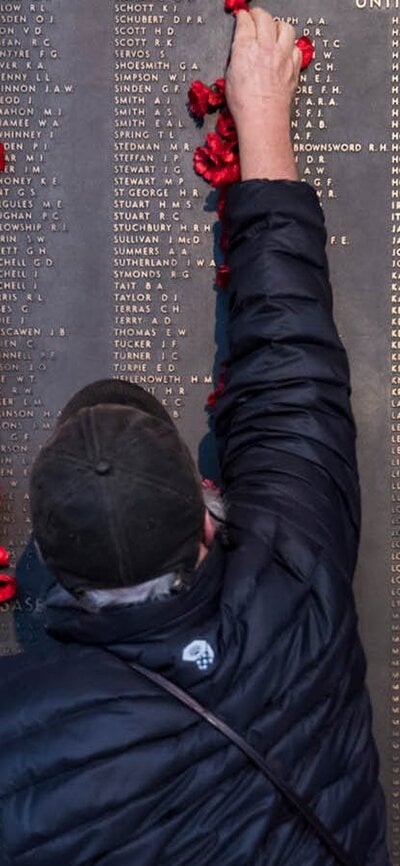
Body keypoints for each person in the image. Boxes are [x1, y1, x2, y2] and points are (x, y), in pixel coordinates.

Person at [0, 9, 390, 866]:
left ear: (50, 579)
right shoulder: (296, 584)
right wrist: (261, 122)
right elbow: (292, 376)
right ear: (209, 515)